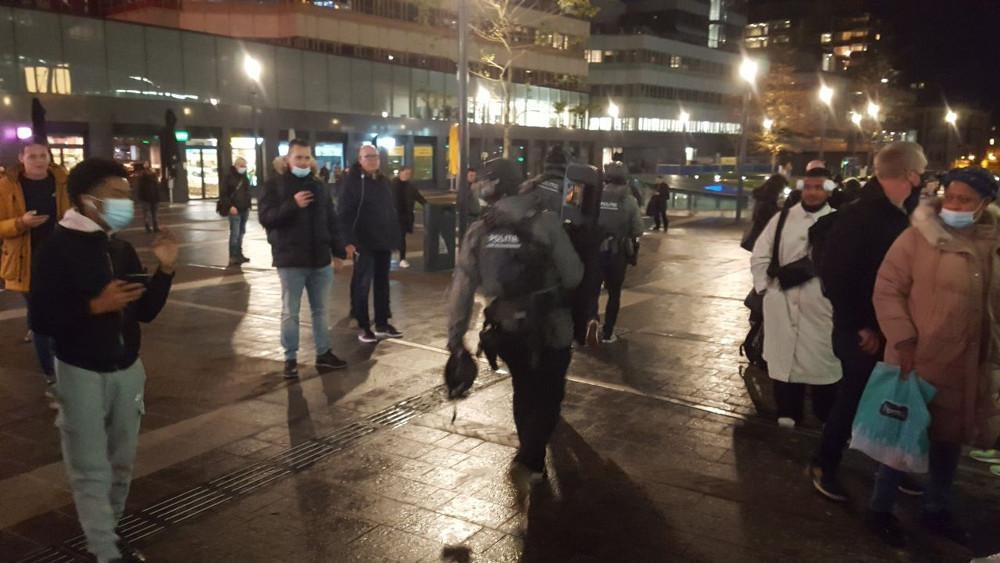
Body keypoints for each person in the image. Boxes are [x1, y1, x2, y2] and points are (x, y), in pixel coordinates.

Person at [30, 157, 178, 563]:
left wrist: (165, 270)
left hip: (128, 369)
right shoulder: (55, 248)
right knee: (90, 466)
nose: (125, 203)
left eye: (127, 195)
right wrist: (93, 307)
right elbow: (41, 319)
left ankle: (109, 530)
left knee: (122, 463)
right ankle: (104, 550)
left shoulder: (119, 246)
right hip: (81, 370)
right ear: (86, 199)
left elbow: (144, 312)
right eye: (116, 195)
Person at [868, 166, 1000, 547]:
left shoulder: (993, 242)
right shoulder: (918, 236)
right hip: (918, 359)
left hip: (968, 364)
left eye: (965, 200)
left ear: (984, 204)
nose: (954, 205)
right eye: (951, 196)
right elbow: (887, 288)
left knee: (949, 440)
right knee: (901, 439)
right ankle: (880, 508)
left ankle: (936, 507)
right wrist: (904, 340)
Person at [446, 158, 583, 489]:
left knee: (523, 388)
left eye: (480, 181)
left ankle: (530, 455)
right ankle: (531, 458)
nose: (475, 186)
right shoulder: (546, 222)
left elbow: (462, 288)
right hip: (551, 326)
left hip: (506, 328)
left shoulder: (479, 230)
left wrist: (455, 338)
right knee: (549, 392)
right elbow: (573, 275)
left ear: (493, 186)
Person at [808, 142, 927, 502]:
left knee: (888, 397)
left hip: (891, 327)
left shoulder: (904, 212)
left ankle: (889, 466)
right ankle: (824, 464)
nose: (923, 179)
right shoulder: (859, 216)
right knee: (853, 397)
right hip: (863, 330)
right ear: (909, 174)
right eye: (921, 173)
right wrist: (859, 325)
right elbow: (836, 275)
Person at [750, 167, 842, 428]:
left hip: (819, 305)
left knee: (822, 363)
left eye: (819, 187)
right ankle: (787, 412)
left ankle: (825, 415)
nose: (812, 193)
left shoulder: (839, 221)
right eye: (808, 187)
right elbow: (760, 255)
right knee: (784, 363)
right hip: (782, 300)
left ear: (828, 190)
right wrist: (766, 288)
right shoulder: (782, 218)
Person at [259, 139, 348, 378]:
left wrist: (339, 252)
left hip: (320, 260)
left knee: (321, 310)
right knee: (291, 312)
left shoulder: (319, 186)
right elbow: (266, 218)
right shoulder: (274, 185)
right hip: (291, 260)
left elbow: (331, 219)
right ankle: (290, 358)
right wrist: (293, 204)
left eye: (307, 157)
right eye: (298, 157)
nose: (303, 162)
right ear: (287, 159)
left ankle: (324, 352)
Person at [0, 142, 70, 391]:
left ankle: (64, 361)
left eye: (43, 155)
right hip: (25, 261)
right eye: (32, 156)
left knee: (56, 311)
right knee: (41, 314)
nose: (39, 160)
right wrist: (21, 222)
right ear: (22, 158)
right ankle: (50, 372)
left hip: (60, 258)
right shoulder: (6, 186)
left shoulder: (63, 182)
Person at [520, 145, 603, 347]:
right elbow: (575, 222)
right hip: (560, 251)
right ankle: (585, 320)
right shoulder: (571, 189)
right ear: (567, 165)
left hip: (530, 254)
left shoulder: (530, 187)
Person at [339, 144, 402, 343]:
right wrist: (348, 241)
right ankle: (364, 325)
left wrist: (395, 238)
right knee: (363, 284)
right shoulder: (352, 182)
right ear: (360, 160)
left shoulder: (384, 181)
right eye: (368, 157)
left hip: (383, 240)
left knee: (382, 283)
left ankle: (382, 322)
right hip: (362, 242)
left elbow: (390, 211)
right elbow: (344, 213)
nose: (372, 160)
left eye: (375, 156)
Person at [591, 162, 643, 343]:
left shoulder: (596, 197)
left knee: (593, 290)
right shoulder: (629, 201)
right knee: (614, 293)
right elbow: (638, 229)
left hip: (596, 250)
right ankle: (608, 333)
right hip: (617, 252)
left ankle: (592, 321)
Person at [220, 157, 252, 267]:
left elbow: (247, 192)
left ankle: (239, 254)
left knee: (241, 232)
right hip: (234, 209)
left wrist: (248, 205)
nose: (244, 168)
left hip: (244, 209)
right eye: (242, 166)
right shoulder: (228, 177)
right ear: (236, 165)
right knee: (235, 233)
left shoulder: (244, 177)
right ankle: (233, 256)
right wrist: (230, 206)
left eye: (245, 166)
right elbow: (224, 194)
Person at [741, 174, 786, 252]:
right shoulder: (769, 199)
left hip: (758, 232)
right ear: (778, 186)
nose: (782, 190)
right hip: (762, 234)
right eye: (782, 187)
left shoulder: (762, 196)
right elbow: (769, 215)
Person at [392, 166, 426, 269]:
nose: (407, 176)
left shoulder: (410, 186)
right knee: (395, 237)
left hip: (404, 217)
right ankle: (397, 256)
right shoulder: (392, 185)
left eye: (409, 174)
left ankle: (402, 258)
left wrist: (428, 206)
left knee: (402, 237)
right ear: (400, 173)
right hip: (392, 216)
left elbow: (419, 198)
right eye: (406, 173)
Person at [133, 162, 160, 233]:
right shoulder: (154, 178)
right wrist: (158, 198)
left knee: (146, 214)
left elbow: (139, 189)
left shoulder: (141, 178)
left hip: (145, 199)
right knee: (154, 213)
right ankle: (155, 227)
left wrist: (140, 197)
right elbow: (157, 189)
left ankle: (148, 227)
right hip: (154, 198)